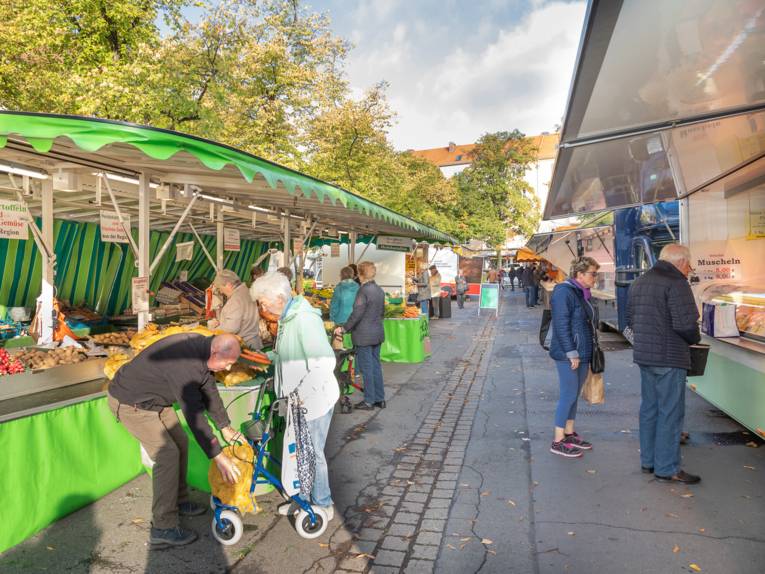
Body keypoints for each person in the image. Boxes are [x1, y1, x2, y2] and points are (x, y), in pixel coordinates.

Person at [107, 333, 243, 546]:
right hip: (131, 403)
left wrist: (224, 426)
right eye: (226, 363)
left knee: (181, 442)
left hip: (155, 401)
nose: (227, 369)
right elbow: (195, 415)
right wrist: (217, 455)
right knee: (167, 455)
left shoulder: (203, 350)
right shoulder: (185, 363)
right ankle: (163, 527)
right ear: (215, 352)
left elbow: (209, 389)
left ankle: (178, 501)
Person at [251, 272, 340, 518]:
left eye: (264, 302)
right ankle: (303, 499)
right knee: (300, 452)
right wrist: (264, 359)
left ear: (279, 298)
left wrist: (301, 394)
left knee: (312, 453)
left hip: (313, 401)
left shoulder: (303, 320)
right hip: (298, 401)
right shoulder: (288, 318)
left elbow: (323, 363)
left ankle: (322, 504)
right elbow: (288, 354)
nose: (262, 308)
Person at [627, 244, 701, 484]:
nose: (689, 270)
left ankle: (648, 461)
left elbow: (629, 319)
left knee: (649, 409)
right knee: (670, 412)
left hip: (645, 356)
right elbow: (686, 324)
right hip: (670, 357)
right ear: (680, 262)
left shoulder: (640, 281)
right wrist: (695, 339)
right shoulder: (677, 283)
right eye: (689, 264)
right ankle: (667, 467)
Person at [548, 256, 600, 458]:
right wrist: (571, 352)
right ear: (580, 274)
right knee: (568, 394)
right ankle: (558, 440)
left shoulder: (582, 293)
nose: (595, 278)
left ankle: (569, 433)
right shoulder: (564, 291)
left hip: (583, 351)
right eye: (592, 274)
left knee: (574, 395)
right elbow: (561, 324)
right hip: (568, 353)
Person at [335, 261, 386, 410]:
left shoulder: (363, 291)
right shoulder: (379, 290)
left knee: (367, 368)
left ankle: (369, 400)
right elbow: (382, 312)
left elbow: (357, 313)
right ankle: (380, 399)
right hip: (377, 333)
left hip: (364, 335)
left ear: (360, 273)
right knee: (376, 366)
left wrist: (344, 329)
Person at [208, 270, 262, 350]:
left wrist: (213, 330)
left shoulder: (236, 299)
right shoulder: (246, 291)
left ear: (229, 285)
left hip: (245, 345)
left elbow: (231, 328)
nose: (221, 292)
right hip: (254, 342)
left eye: (220, 288)